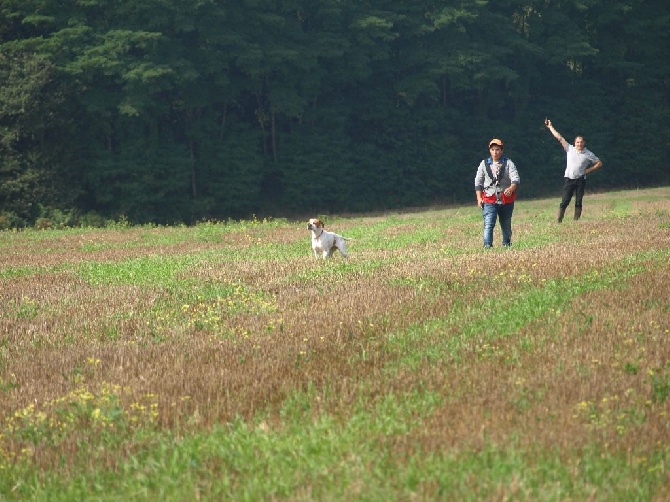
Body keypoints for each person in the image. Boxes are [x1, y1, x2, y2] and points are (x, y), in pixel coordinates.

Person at [544, 118, 602, 222]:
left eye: (581, 142)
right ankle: (559, 220)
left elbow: (599, 163)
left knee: (578, 201)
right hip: (569, 179)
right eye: (577, 142)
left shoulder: (588, 154)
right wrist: (550, 127)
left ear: (584, 143)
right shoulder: (569, 149)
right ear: (574, 143)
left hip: (580, 179)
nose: (579, 144)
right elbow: (559, 138)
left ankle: (576, 220)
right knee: (565, 200)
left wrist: (588, 171)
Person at [474, 138, 520, 248]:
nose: (495, 152)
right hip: (489, 199)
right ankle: (487, 246)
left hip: (506, 200)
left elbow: (515, 179)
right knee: (488, 224)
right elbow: (478, 182)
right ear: (490, 151)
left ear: (502, 150)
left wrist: (511, 188)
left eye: (498, 149)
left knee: (506, 225)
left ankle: (507, 245)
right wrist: (479, 198)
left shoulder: (509, 163)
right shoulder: (483, 164)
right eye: (493, 149)